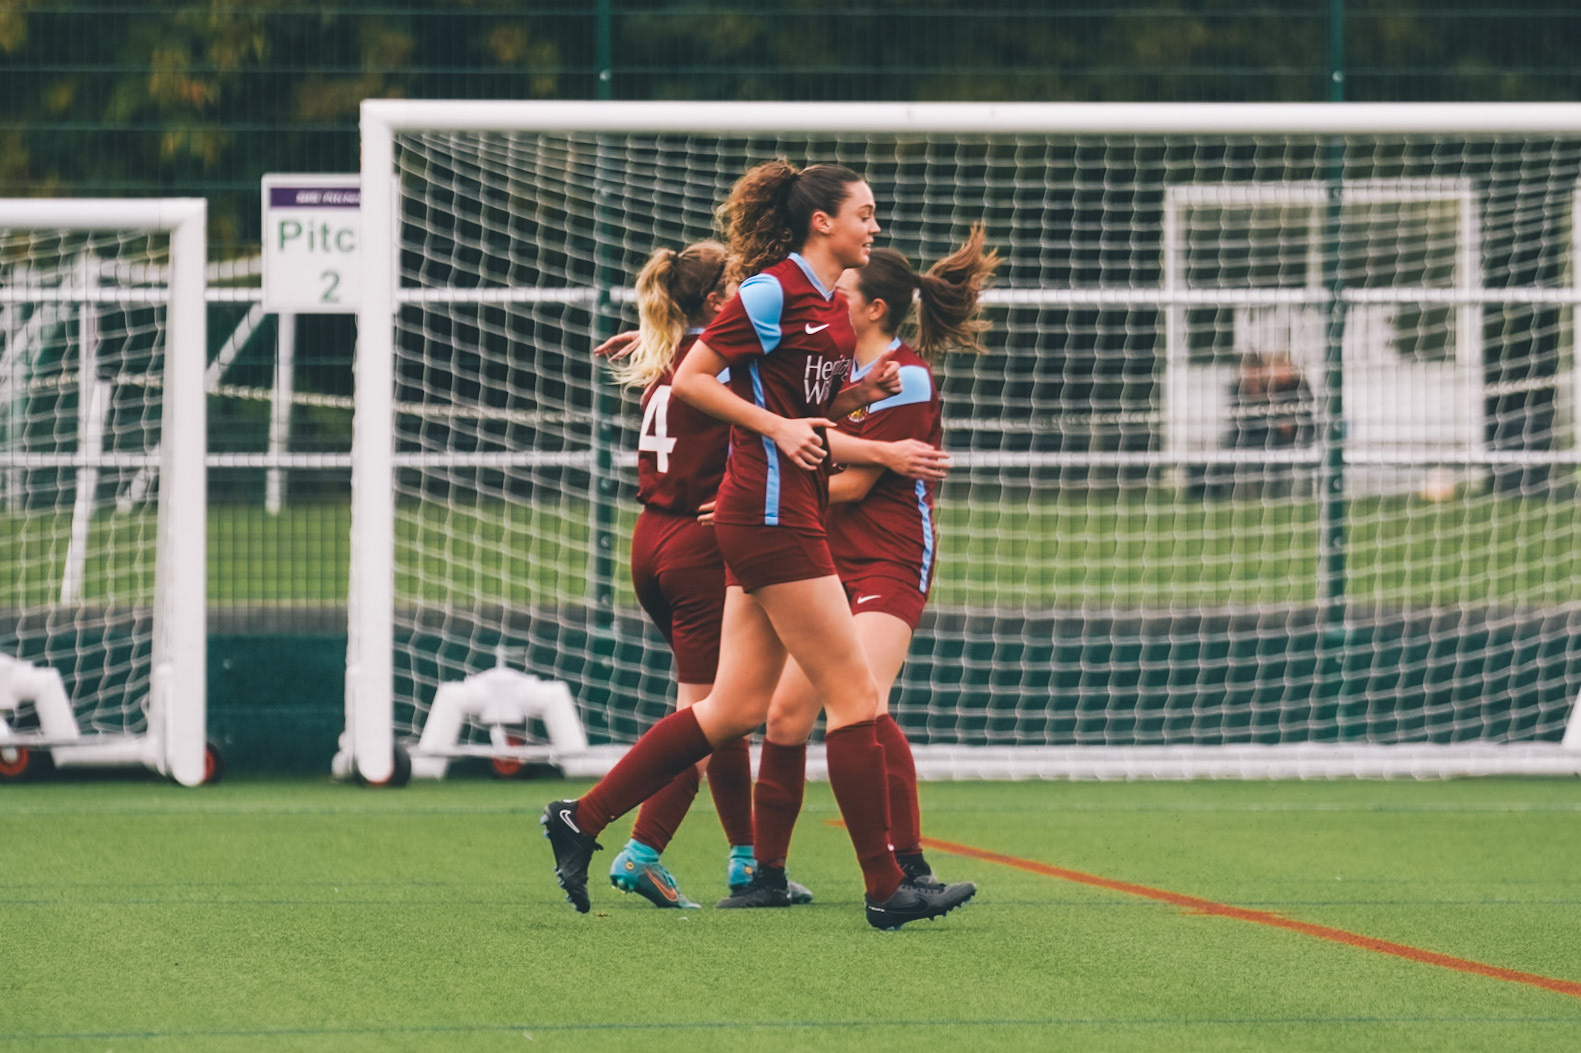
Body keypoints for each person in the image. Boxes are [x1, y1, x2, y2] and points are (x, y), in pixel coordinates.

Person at [543, 159, 978, 929]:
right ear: (822, 221)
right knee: (855, 698)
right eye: (864, 212)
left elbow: (806, 404)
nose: (874, 225)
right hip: (771, 514)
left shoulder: (832, 310)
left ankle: (582, 817)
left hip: (778, 512)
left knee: (734, 706)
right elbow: (694, 380)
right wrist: (777, 427)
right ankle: (888, 886)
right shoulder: (771, 290)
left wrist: (858, 395)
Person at [732, 228, 1000, 908]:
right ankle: (766, 876)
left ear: (875, 308)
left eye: (844, 293)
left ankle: (910, 869)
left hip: (890, 557)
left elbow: (850, 484)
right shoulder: (832, 370)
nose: (831, 301)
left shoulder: (905, 375)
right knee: (785, 716)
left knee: (864, 703)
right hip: (826, 558)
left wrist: (767, 483)